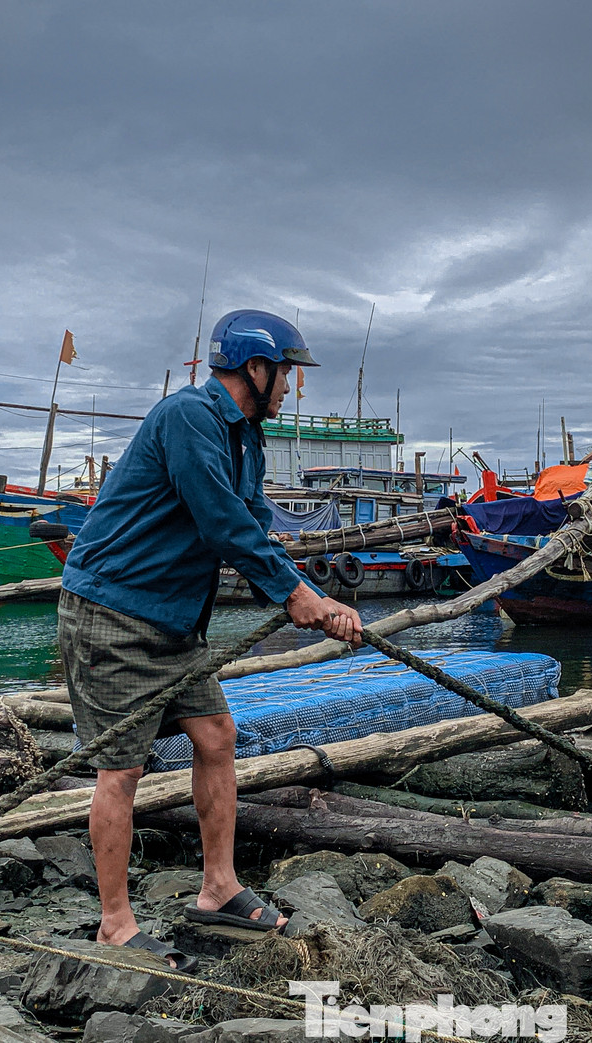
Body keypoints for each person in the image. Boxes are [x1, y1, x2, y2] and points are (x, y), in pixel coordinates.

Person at [58, 309, 363, 969]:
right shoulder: (188, 418)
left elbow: (252, 523)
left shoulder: (246, 439)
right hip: (112, 610)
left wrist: (313, 598)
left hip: (173, 622)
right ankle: (115, 925)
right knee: (122, 767)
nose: (291, 386)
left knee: (216, 735)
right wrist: (294, 595)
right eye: (286, 372)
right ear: (256, 368)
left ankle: (217, 887)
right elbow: (221, 521)